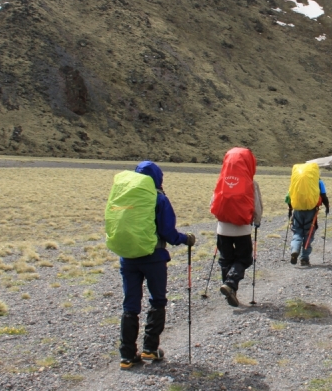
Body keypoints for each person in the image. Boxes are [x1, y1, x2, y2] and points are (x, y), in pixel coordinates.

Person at [111, 161, 196, 370]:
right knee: (157, 300)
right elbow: (168, 232)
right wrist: (185, 239)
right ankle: (150, 347)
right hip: (153, 257)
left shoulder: (126, 196)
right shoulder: (158, 198)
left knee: (130, 304)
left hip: (128, 257)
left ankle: (127, 355)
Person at [210, 148, 263, 307]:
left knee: (226, 259)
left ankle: (230, 289)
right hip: (242, 228)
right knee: (245, 258)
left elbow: (213, 203)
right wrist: (257, 221)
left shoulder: (222, 180)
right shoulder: (251, 183)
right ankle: (231, 284)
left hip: (222, 228)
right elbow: (257, 206)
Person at [285, 162, 330, 266]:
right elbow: (323, 196)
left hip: (297, 210)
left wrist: (290, 209)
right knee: (308, 233)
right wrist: (327, 207)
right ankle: (304, 259)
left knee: (297, 231)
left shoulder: (296, 181)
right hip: (311, 210)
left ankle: (294, 250)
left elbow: (289, 196)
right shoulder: (318, 182)